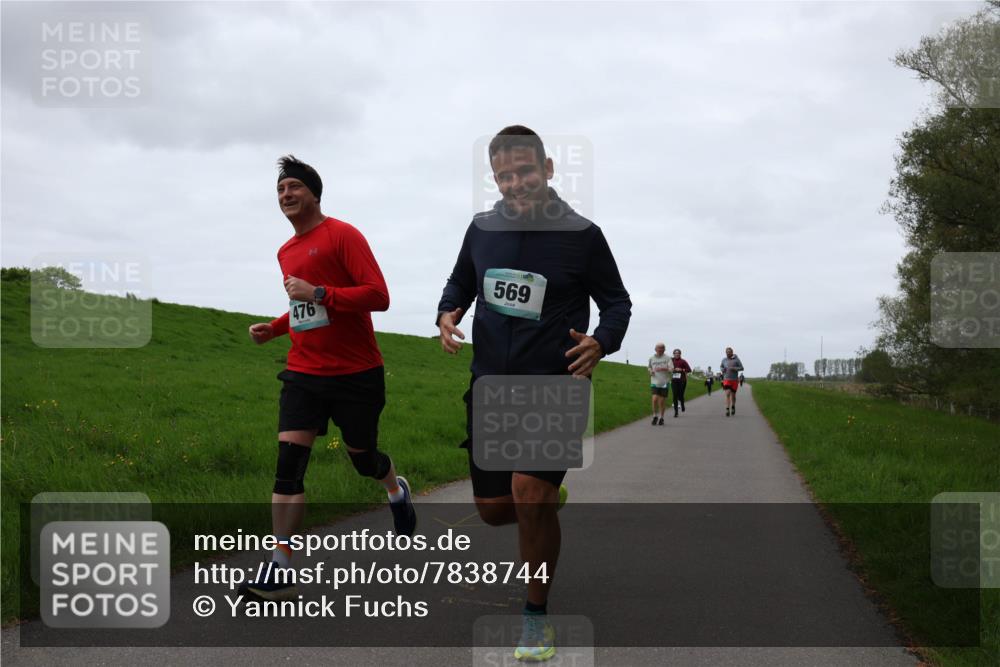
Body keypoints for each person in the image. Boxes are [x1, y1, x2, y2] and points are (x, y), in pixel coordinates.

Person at [437, 126, 631, 662]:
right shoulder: (481, 229)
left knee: (528, 493)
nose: (515, 183)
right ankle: (544, 502)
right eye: (504, 175)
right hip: (491, 387)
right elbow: (459, 283)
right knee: (496, 509)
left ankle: (535, 618)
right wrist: (447, 312)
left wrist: (602, 342)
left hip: (556, 385)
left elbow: (617, 302)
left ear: (548, 169)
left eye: (525, 171)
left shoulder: (582, 234)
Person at [241, 155, 416, 601]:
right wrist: (276, 328)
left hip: (357, 373)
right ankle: (280, 567)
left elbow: (379, 296)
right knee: (288, 470)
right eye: (280, 190)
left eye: (294, 187)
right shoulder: (286, 251)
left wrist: (319, 291)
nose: (286, 196)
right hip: (303, 372)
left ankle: (394, 489)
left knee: (363, 459)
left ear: (314, 193)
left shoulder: (343, 235)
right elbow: (305, 309)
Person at [648, 343, 672, 425]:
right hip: (654, 382)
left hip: (664, 382)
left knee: (661, 402)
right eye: (659, 348)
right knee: (654, 399)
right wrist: (650, 371)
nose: (660, 349)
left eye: (662, 348)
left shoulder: (668, 358)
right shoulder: (651, 358)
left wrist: (664, 368)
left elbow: (671, 369)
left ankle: (662, 417)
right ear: (655, 349)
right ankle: (655, 416)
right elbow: (649, 367)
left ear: (664, 349)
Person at [720, 347, 745, 417]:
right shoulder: (724, 360)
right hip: (726, 379)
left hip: (734, 380)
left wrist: (735, 368)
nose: (728, 353)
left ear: (732, 352)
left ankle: (733, 406)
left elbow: (742, 367)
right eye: (726, 352)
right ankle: (727, 409)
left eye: (729, 352)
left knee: (733, 395)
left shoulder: (736, 359)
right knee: (727, 394)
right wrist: (722, 369)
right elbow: (721, 366)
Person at [670, 349, 692, 417]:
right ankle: (676, 412)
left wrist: (682, 369)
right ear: (673, 354)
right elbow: (668, 368)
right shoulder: (671, 361)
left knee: (680, 394)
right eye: (675, 353)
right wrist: (672, 369)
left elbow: (689, 370)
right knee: (675, 395)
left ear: (680, 354)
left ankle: (682, 404)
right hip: (674, 380)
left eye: (678, 353)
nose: (677, 354)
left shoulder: (683, 361)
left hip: (682, 380)